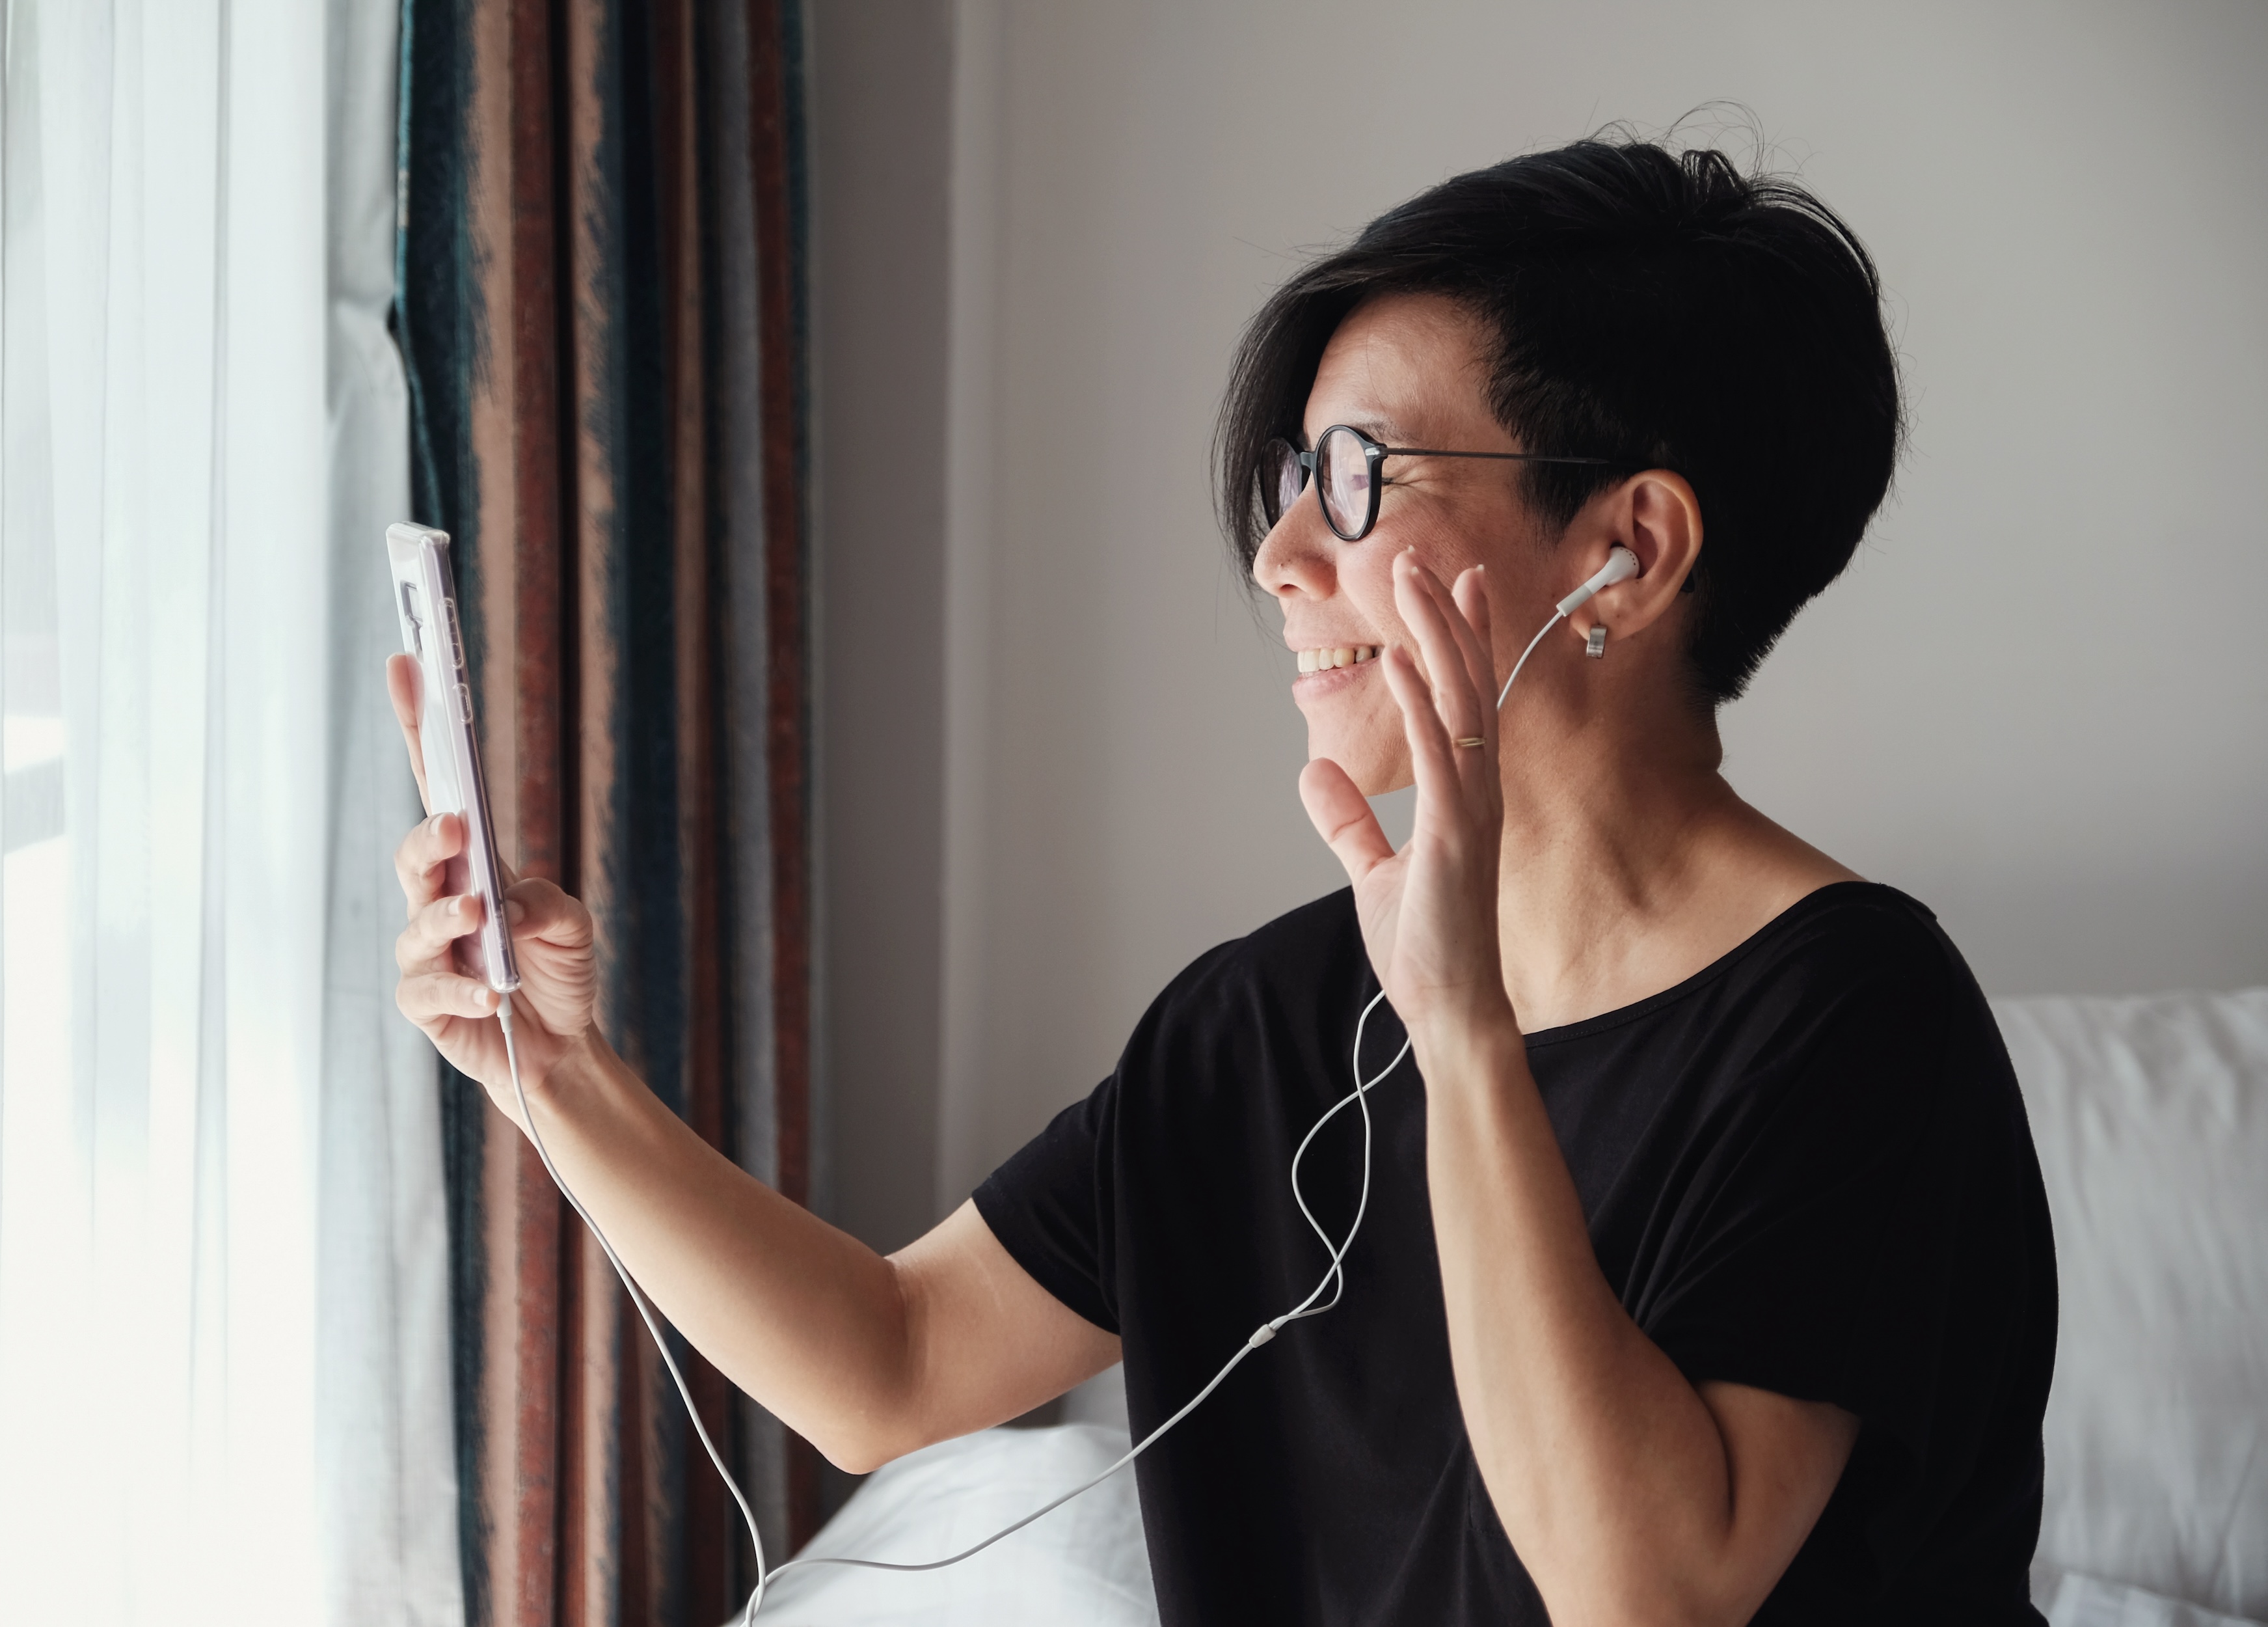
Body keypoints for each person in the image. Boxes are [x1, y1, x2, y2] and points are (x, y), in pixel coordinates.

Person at [388, 136, 2057, 1626]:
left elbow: (1642, 1590)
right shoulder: (1259, 1021)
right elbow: (888, 1363)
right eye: (1290, 483)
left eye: (1353, 478)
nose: (1276, 558)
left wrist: (1463, 1029)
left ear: (1629, 547)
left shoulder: (1858, 1024)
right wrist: (557, 1072)